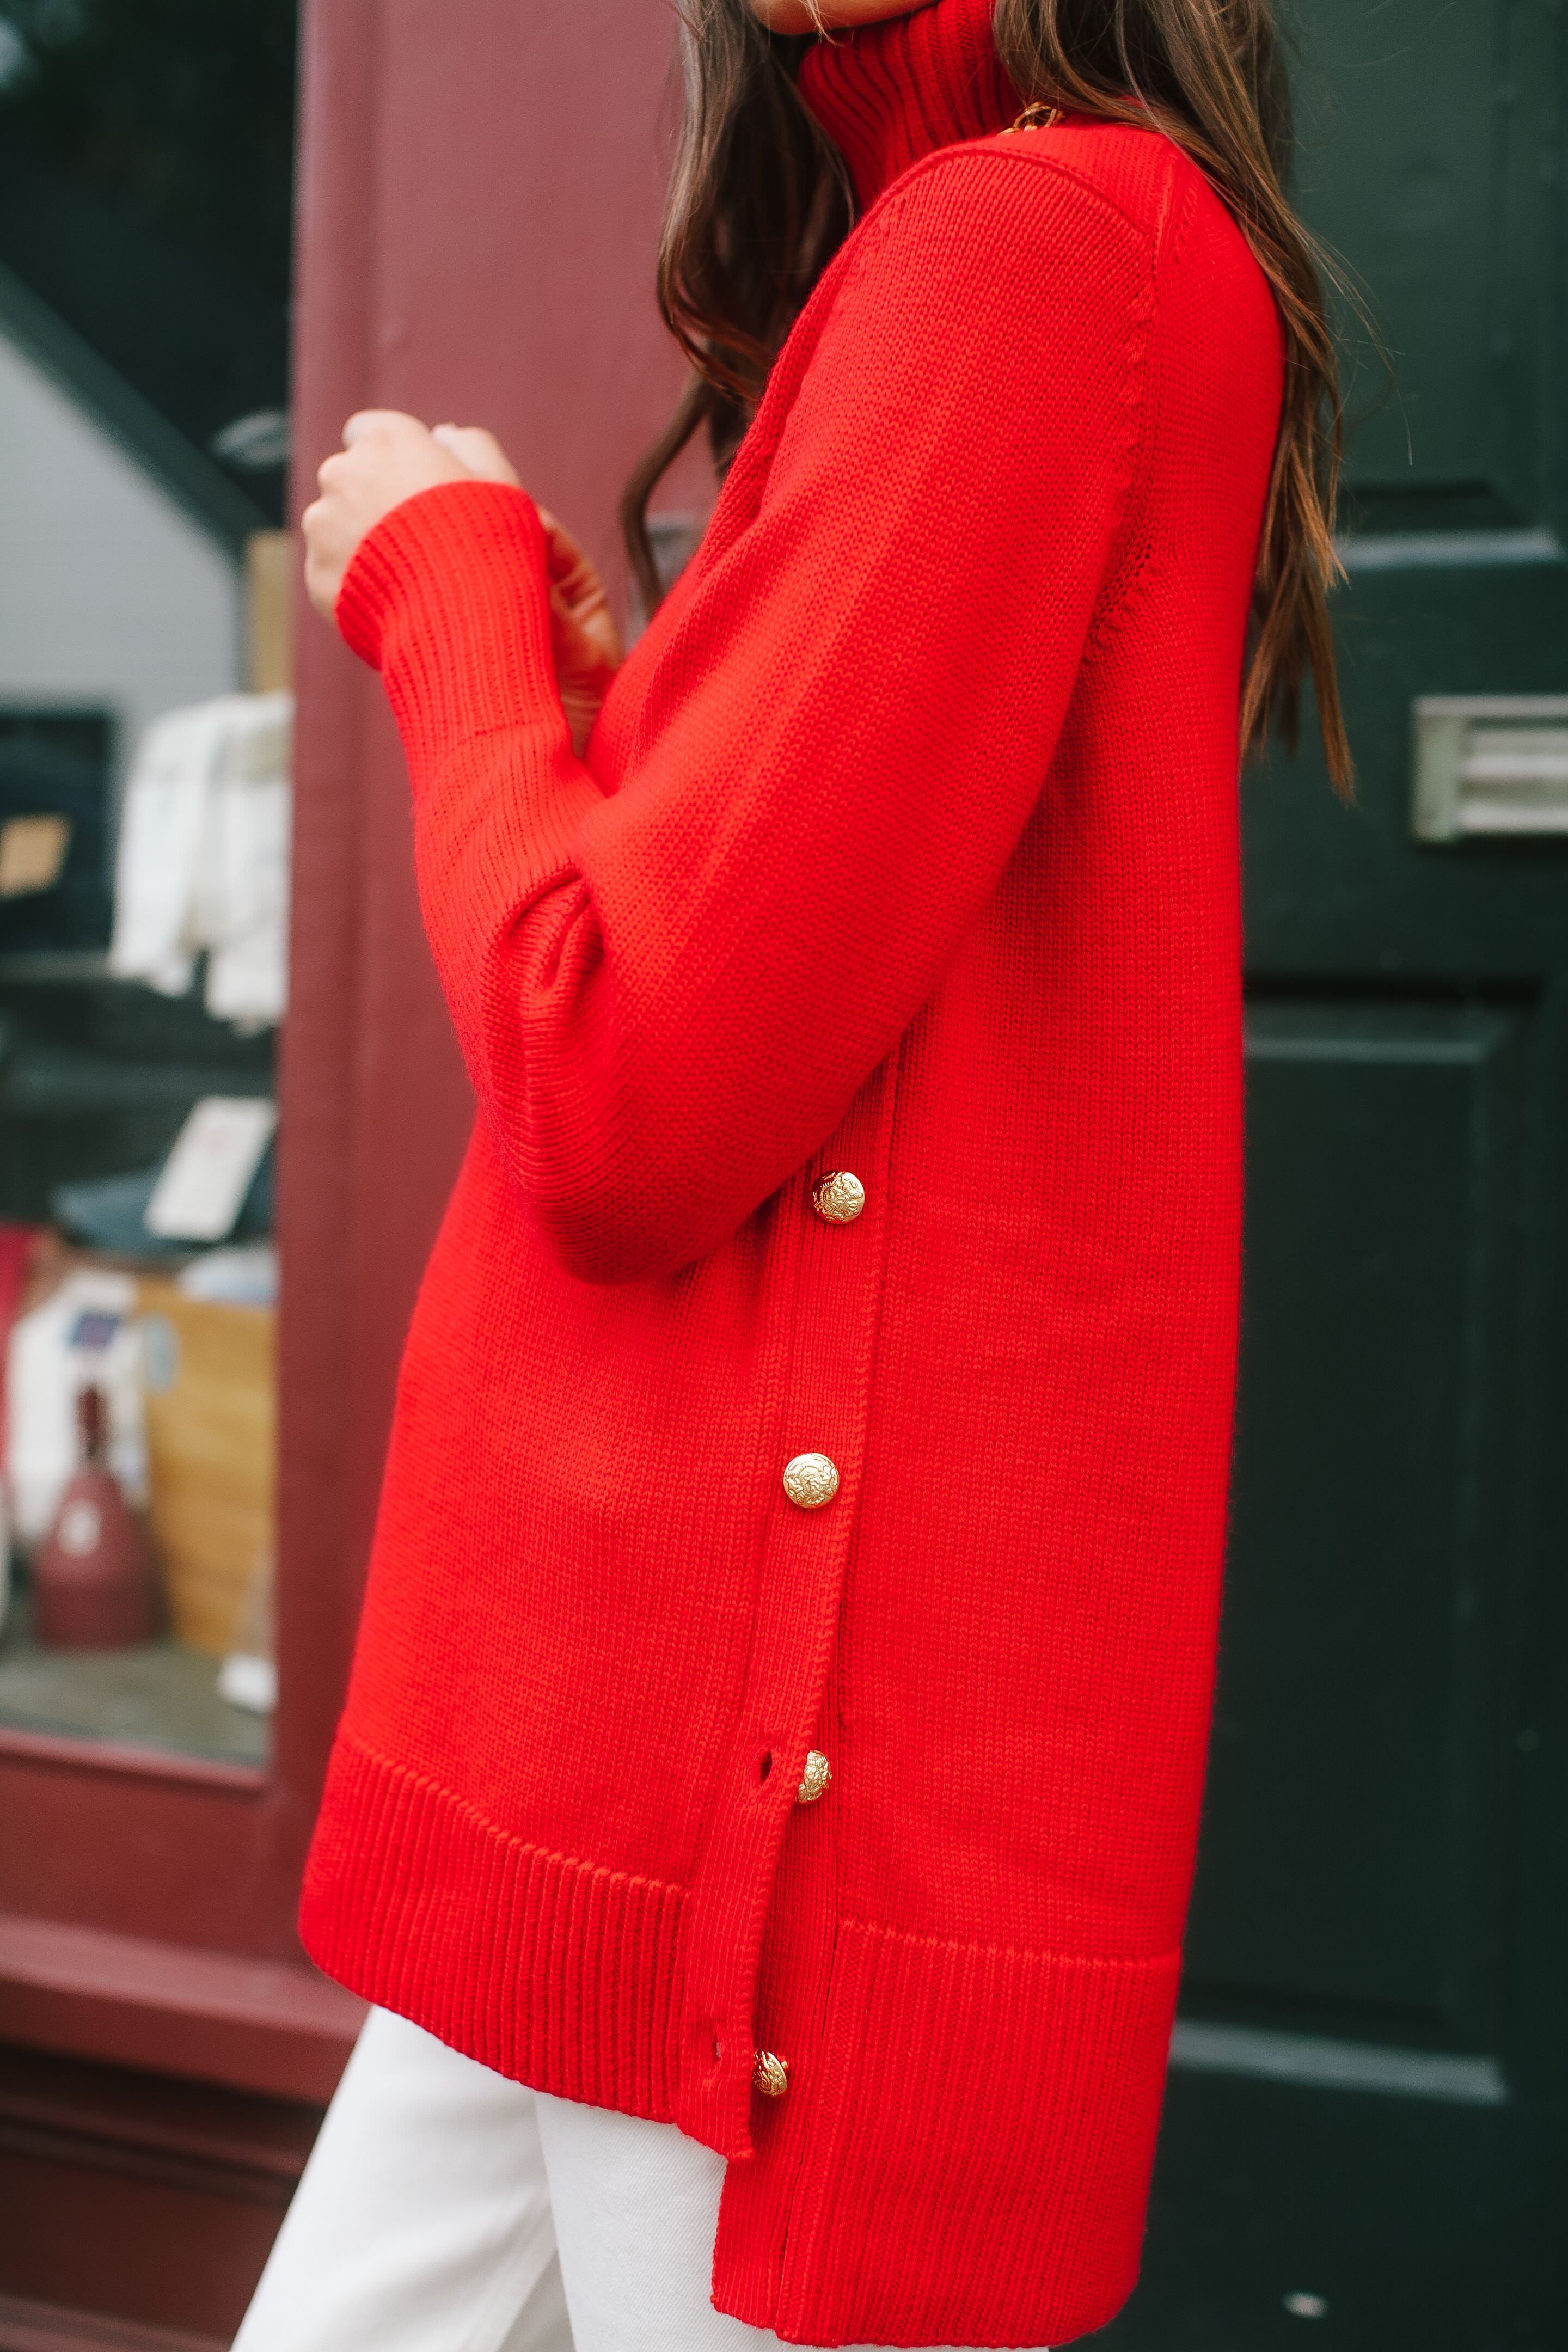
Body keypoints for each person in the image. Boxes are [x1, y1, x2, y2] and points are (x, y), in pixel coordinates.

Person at [235, 0, 1349, 2346]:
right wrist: (620, 722)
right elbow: (816, 977)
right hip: (617, 1772)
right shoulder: (1021, 237)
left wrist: (448, 606)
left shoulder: (1029, 245)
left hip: (743, 1816)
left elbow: (615, 1078)